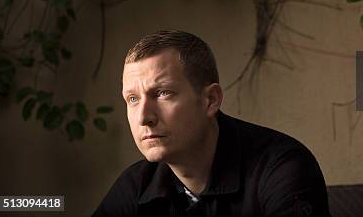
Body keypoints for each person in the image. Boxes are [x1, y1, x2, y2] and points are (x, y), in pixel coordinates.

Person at [93, 30, 331, 216]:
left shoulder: (282, 167)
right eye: (133, 99)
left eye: (163, 93)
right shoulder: (137, 184)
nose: (144, 117)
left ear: (211, 100)